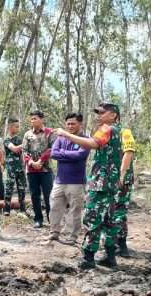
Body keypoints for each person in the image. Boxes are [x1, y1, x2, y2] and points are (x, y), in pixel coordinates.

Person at [56, 102, 122, 270]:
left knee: (92, 218)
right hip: (111, 181)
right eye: (97, 112)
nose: (98, 115)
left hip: (101, 181)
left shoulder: (106, 129)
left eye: (102, 112)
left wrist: (66, 134)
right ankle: (110, 255)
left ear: (113, 115)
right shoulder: (118, 131)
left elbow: (92, 144)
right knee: (109, 219)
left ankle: (88, 257)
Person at [48, 112, 89, 245]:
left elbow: (80, 155)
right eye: (68, 124)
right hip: (59, 180)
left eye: (73, 123)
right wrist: (69, 155)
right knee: (54, 207)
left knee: (74, 210)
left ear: (80, 124)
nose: (70, 126)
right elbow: (53, 153)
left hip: (76, 182)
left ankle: (72, 236)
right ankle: (54, 232)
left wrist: (63, 154)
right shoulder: (60, 138)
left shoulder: (85, 139)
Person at [23, 110, 55, 228]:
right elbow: (24, 151)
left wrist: (41, 161)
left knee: (48, 194)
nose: (33, 121)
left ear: (41, 119)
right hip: (31, 170)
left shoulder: (49, 132)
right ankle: (38, 219)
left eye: (35, 118)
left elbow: (52, 148)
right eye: (31, 119)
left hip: (45, 169)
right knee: (34, 195)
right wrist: (31, 162)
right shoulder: (27, 134)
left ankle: (51, 219)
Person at [113, 124, 137, 257]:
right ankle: (113, 243)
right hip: (107, 180)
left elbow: (128, 152)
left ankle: (121, 245)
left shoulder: (125, 132)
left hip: (121, 180)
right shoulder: (103, 132)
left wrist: (121, 175)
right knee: (109, 212)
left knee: (119, 212)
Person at [3, 117, 27, 216]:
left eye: (18, 126)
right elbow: (15, 149)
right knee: (9, 189)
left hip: (20, 168)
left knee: (22, 189)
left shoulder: (19, 139)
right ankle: (6, 210)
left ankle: (22, 210)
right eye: (16, 127)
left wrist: (24, 165)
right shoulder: (7, 140)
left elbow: (21, 153)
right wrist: (26, 143)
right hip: (10, 169)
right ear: (10, 127)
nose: (18, 129)